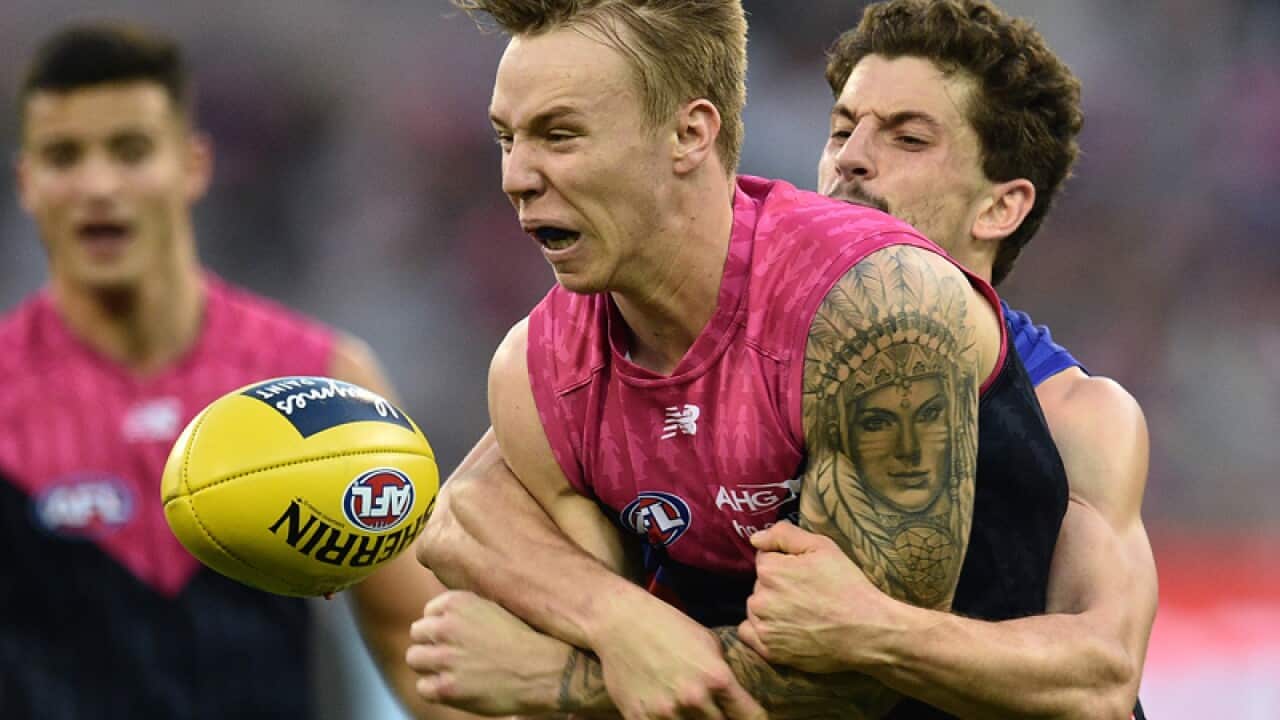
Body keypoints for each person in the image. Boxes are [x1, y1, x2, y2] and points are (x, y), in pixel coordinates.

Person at [401, 1, 1077, 718]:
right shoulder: (538, 372)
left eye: (559, 136)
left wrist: (556, 679)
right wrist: (615, 621)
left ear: (690, 133)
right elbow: (477, 521)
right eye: (508, 139)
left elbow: (860, 680)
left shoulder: (875, 310)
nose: (517, 177)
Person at [0, 23, 460, 720]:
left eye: (130, 151)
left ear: (193, 164)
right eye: (65, 157)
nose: (97, 185)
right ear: (28, 183)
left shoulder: (322, 377)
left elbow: (415, 641)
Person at [737, 2, 1156, 718]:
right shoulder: (718, 344)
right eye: (841, 128)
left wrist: (866, 629)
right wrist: (614, 625)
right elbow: (477, 506)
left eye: (907, 137)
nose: (850, 157)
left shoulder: (1075, 415)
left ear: (999, 208)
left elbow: (1101, 678)